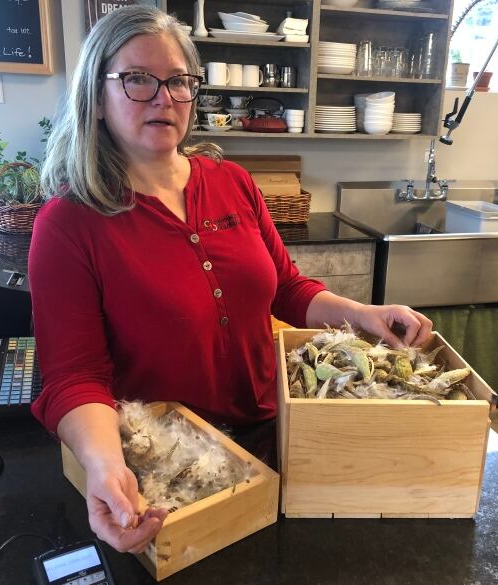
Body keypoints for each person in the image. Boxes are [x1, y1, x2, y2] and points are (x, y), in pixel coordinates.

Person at [29, 5, 432, 555]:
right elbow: (74, 376)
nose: (164, 98)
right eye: (138, 80)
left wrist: (363, 316)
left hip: (276, 433)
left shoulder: (232, 182)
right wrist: (102, 467)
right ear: (97, 97)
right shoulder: (69, 223)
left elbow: (287, 288)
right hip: (173, 468)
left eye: (178, 81)